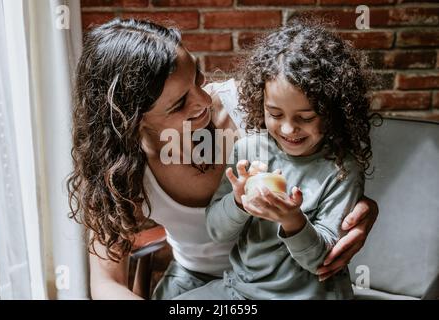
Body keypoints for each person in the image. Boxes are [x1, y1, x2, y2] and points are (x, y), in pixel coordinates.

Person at [67, 18, 379, 300]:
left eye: (198, 80)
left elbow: (331, 162)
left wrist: (364, 209)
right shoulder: (118, 168)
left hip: (285, 283)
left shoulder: (257, 106)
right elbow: (106, 284)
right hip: (198, 281)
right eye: (178, 104)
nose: (203, 100)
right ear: (131, 120)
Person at [174, 19, 380, 300]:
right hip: (242, 291)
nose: (287, 129)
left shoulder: (341, 169)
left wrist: (292, 219)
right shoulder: (248, 150)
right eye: (275, 113)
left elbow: (323, 262)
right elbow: (216, 231)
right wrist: (237, 202)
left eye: (305, 118)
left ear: (334, 112)